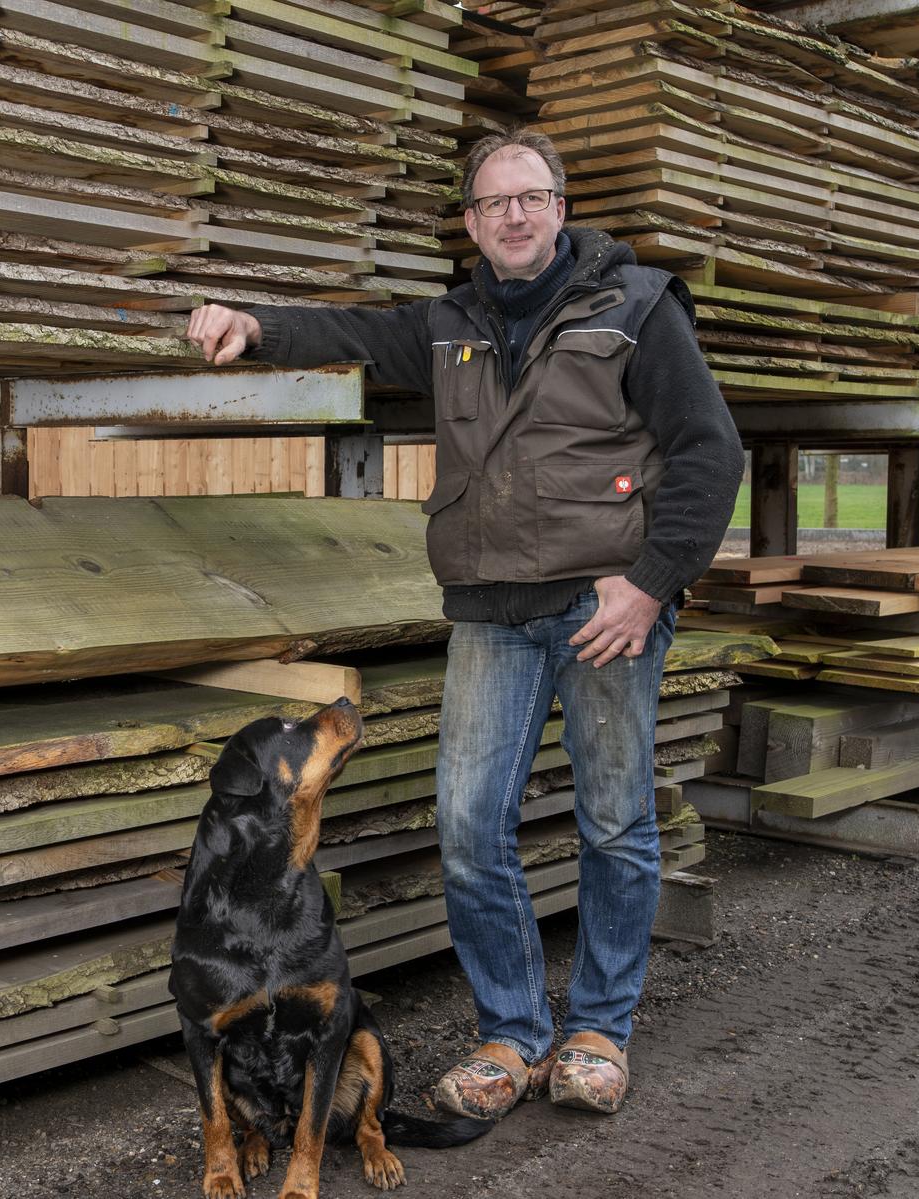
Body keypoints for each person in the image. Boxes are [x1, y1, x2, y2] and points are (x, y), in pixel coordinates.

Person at [184, 130, 744, 1118]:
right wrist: (252, 322)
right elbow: (348, 331)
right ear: (474, 224)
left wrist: (651, 583)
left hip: (604, 608)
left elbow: (710, 452)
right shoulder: (451, 321)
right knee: (470, 826)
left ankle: (598, 1032)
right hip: (490, 610)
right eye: (493, 204)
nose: (514, 216)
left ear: (560, 206)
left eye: (531, 197)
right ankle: (514, 1033)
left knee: (614, 822)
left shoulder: (637, 308)